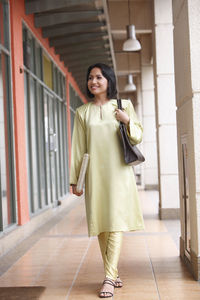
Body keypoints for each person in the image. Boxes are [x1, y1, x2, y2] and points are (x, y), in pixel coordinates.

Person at [70, 63, 144, 298]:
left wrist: (126, 120)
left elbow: (138, 135)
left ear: (109, 81)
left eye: (99, 77)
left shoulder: (124, 106)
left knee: (114, 222)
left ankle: (109, 278)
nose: (94, 81)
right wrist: (75, 180)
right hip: (94, 175)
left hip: (119, 173)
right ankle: (112, 271)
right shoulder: (82, 112)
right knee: (101, 225)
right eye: (90, 77)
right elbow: (78, 148)